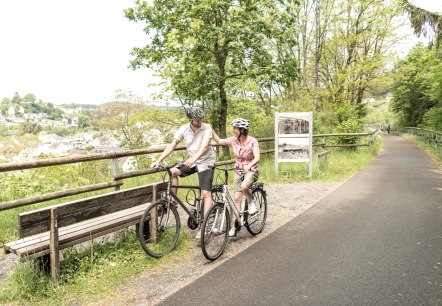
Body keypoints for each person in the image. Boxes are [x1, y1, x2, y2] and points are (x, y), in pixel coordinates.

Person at [150, 106, 215, 239]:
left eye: (201, 118)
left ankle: (206, 225)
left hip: (206, 162)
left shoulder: (207, 127)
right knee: (172, 172)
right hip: (191, 161)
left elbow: (204, 147)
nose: (200, 121)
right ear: (190, 120)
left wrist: (193, 160)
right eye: (197, 119)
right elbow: (172, 145)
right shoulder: (184, 129)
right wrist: (158, 160)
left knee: (206, 193)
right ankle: (173, 201)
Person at [212, 118, 260, 237]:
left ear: (242, 130)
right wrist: (210, 129)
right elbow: (219, 141)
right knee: (237, 200)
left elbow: (257, 157)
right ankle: (234, 225)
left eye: (235, 128)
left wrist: (249, 165)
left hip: (251, 170)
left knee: (244, 187)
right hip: (238, 171)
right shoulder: (234, 141)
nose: (233, 130)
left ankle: (250, 202)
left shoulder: (253, 141)